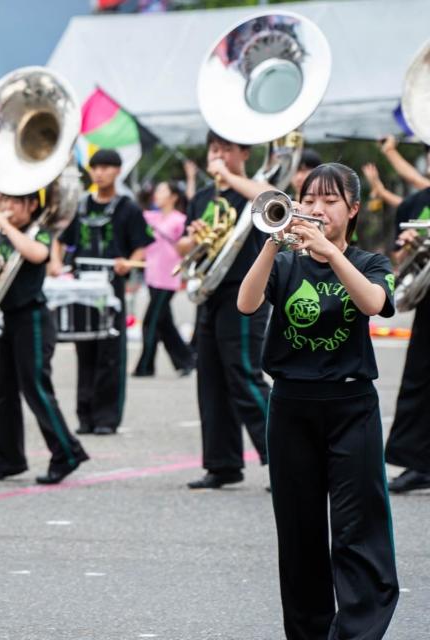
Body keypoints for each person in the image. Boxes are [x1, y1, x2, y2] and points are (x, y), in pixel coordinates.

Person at [237, 162, 398, 639]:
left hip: (352, 408)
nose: (317, 209)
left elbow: (373, 303)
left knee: (357, 531)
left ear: (352, 209)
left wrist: (329, 251)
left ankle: (356, 631)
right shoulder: (285, 262)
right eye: (309, 199)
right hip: (291, 408)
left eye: (330, 201)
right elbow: (246, 303)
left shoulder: (371, 262)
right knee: (300, 533)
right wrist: (271, 241)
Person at [177, 130, 271, 489]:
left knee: (244, 376)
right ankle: (222, 463)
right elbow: (183, 245)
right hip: (210, 291)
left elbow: (270, 200)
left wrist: (230, 177)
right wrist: (196, 238)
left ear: (244, 152)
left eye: (225, 150)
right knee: (211, 379)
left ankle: (285, 460)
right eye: (212, 149)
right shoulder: (201, 197)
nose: (216, 156)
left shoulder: (253, 190)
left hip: (244, 293)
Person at [0, 190, 89, 482]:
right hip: (9, 320)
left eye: (15, 202)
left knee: (36, 389)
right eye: (6, 201)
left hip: (33, 320)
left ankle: (67, 453)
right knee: (1, 393)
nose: (8, 207)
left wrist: (7, 227)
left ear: (31, 205)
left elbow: (38, 255)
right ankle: (7, 460)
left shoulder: (39, 232)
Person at [50, 148, 151, 434]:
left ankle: (107, 418)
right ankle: (85, 416)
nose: (100, 172)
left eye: (107, 167)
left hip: (111, 288)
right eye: (95, 167)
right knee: (85, 351)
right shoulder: (80, 206)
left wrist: (127, 263)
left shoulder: (128, 208)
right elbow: (60, 240)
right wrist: (56, 262)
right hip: (82, 289)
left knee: (111, 353)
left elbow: (142, 246)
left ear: (118, 171)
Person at [384, 162, 430, 493]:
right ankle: (418, 463)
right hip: (427, 302)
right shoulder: (415, 203)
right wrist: (410, 248)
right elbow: (397, 259)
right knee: (419, 379)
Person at [133, 181, 195, 377]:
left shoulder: (180, 220)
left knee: (150, 322)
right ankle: (186, 361)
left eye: (162, 191)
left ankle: (146, 366)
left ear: (173, 197)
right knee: (164, 323)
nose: (157, 194)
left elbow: (185, 247)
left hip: (168, 278)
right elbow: (136, 214)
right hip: (151, 275)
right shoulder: (150, 216)